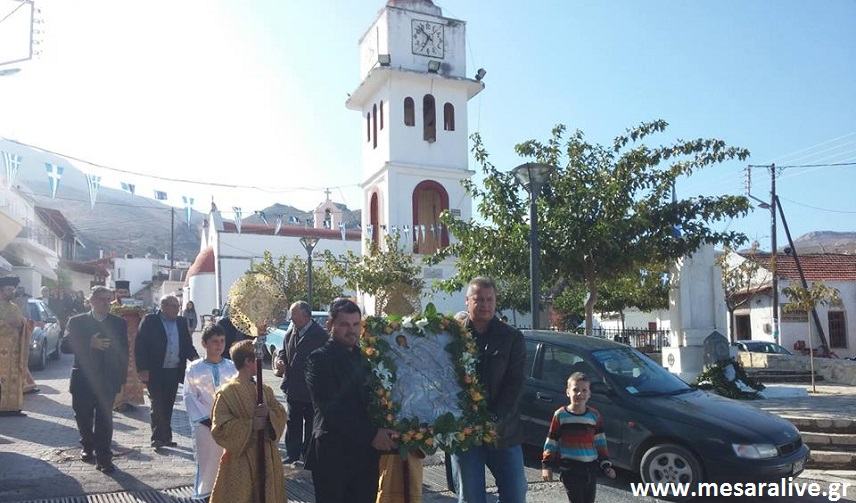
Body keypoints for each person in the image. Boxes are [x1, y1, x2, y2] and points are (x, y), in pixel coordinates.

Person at [305, 298, 397, 503]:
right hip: (333, 455)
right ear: (330, 325)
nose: (351, 330)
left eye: (356, 324)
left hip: (365, 456)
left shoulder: (367, 358)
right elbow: (332, 409)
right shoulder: (318, 359)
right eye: (344, 324)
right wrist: (372, 434)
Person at [450, 277, 527, 503]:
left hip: (504, 433)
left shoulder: (512, 337)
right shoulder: (452, 337)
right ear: (467, 302)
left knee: (515, 495)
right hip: (465, 435)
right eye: (478, 299)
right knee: (470, 498)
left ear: (495, 301)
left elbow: (516, 383)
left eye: (489, 299)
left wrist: (495, 418)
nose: (484, 304)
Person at [209, 339, 287, 503]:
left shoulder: (264, 389)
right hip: (241, 460)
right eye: (257, 359)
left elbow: (280, 412)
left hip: (267, 456)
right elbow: (219, 428)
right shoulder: (227, 393)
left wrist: (269, 415)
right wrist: (251, 425)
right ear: (248, 361)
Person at [61, 286, 128, 473]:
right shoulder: (77, 322)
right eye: (101, 299)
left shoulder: (118, 323)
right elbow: (64, 346)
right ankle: (87, 446)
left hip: (108, 380)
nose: (106, 303)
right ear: (91, 301)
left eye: (108, 299)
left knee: (105, 420)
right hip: (83, 380)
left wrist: (122, 381)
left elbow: (124, 353)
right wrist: (88, 343)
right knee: (83, 417)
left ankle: (104, 458)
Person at [135, 295, 199, 449]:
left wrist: (198, 361)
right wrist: (142, 369)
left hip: (173, 370)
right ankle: (157, 438)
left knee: (168, 404)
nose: (178, 309)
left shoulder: (181, 322)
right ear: (164, 306)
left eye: (178, 306)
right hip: (155, 370)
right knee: (157, 404)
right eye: (174, 306)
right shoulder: (150, 320)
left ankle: (166, 437)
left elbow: (187, 345)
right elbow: (140, 345)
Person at [542, 372, 616, 503]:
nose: (579, 394)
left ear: (589, 394)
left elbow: (600, 442)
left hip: (590, 469)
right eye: (575, 389)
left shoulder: (594, 415)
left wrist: (606, 465)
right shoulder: (560, 415)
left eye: (584, 390)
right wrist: (546, 465)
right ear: (567, 392)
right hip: (570, 469)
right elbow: (552, 441)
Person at [184, 324, 238, 499]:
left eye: (222, 341)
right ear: (204, 343)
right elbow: (189, 396)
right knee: (207, 459)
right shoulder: (194, 368)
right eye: (215, 341)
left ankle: (227, 492)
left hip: (228, 422)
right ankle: (205, 494)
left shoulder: (231, 367)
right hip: (204, 424)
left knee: (228, 459)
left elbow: (237, 393)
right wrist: (206, 419)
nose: (219, 345)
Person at [274, 300, 328, 466]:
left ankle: (308, 457)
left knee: (311, 424)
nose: (291, 318)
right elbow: (283, 351)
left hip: (311, 390)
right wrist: (280, 360)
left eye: (293, 314)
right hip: (293, 386)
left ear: (305, 315)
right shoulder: (291, 331)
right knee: (293, 422)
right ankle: (293, 454)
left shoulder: (320, 335)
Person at [111, 280, 145, 412]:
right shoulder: (111, 306)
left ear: (129, 292)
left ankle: (131, 400)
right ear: (116, 292)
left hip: (133, 344)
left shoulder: (135, 305)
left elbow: (143, 322)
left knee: (133, 372)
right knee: (119, 371)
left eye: (125, 292)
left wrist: (142, 315)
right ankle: (118, 402)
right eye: (120, 292)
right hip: (117, 345)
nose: (122, 294)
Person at [0, 276, 29, 415]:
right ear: (1, 291)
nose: (12, 292)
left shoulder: (15, 306)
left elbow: (21, 323)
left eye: (13, 289)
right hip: (1, 350)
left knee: (14, 377)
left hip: (15, 351)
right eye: (9, 290)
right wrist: (6, 324)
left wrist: (25, 324)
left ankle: (13, 407)